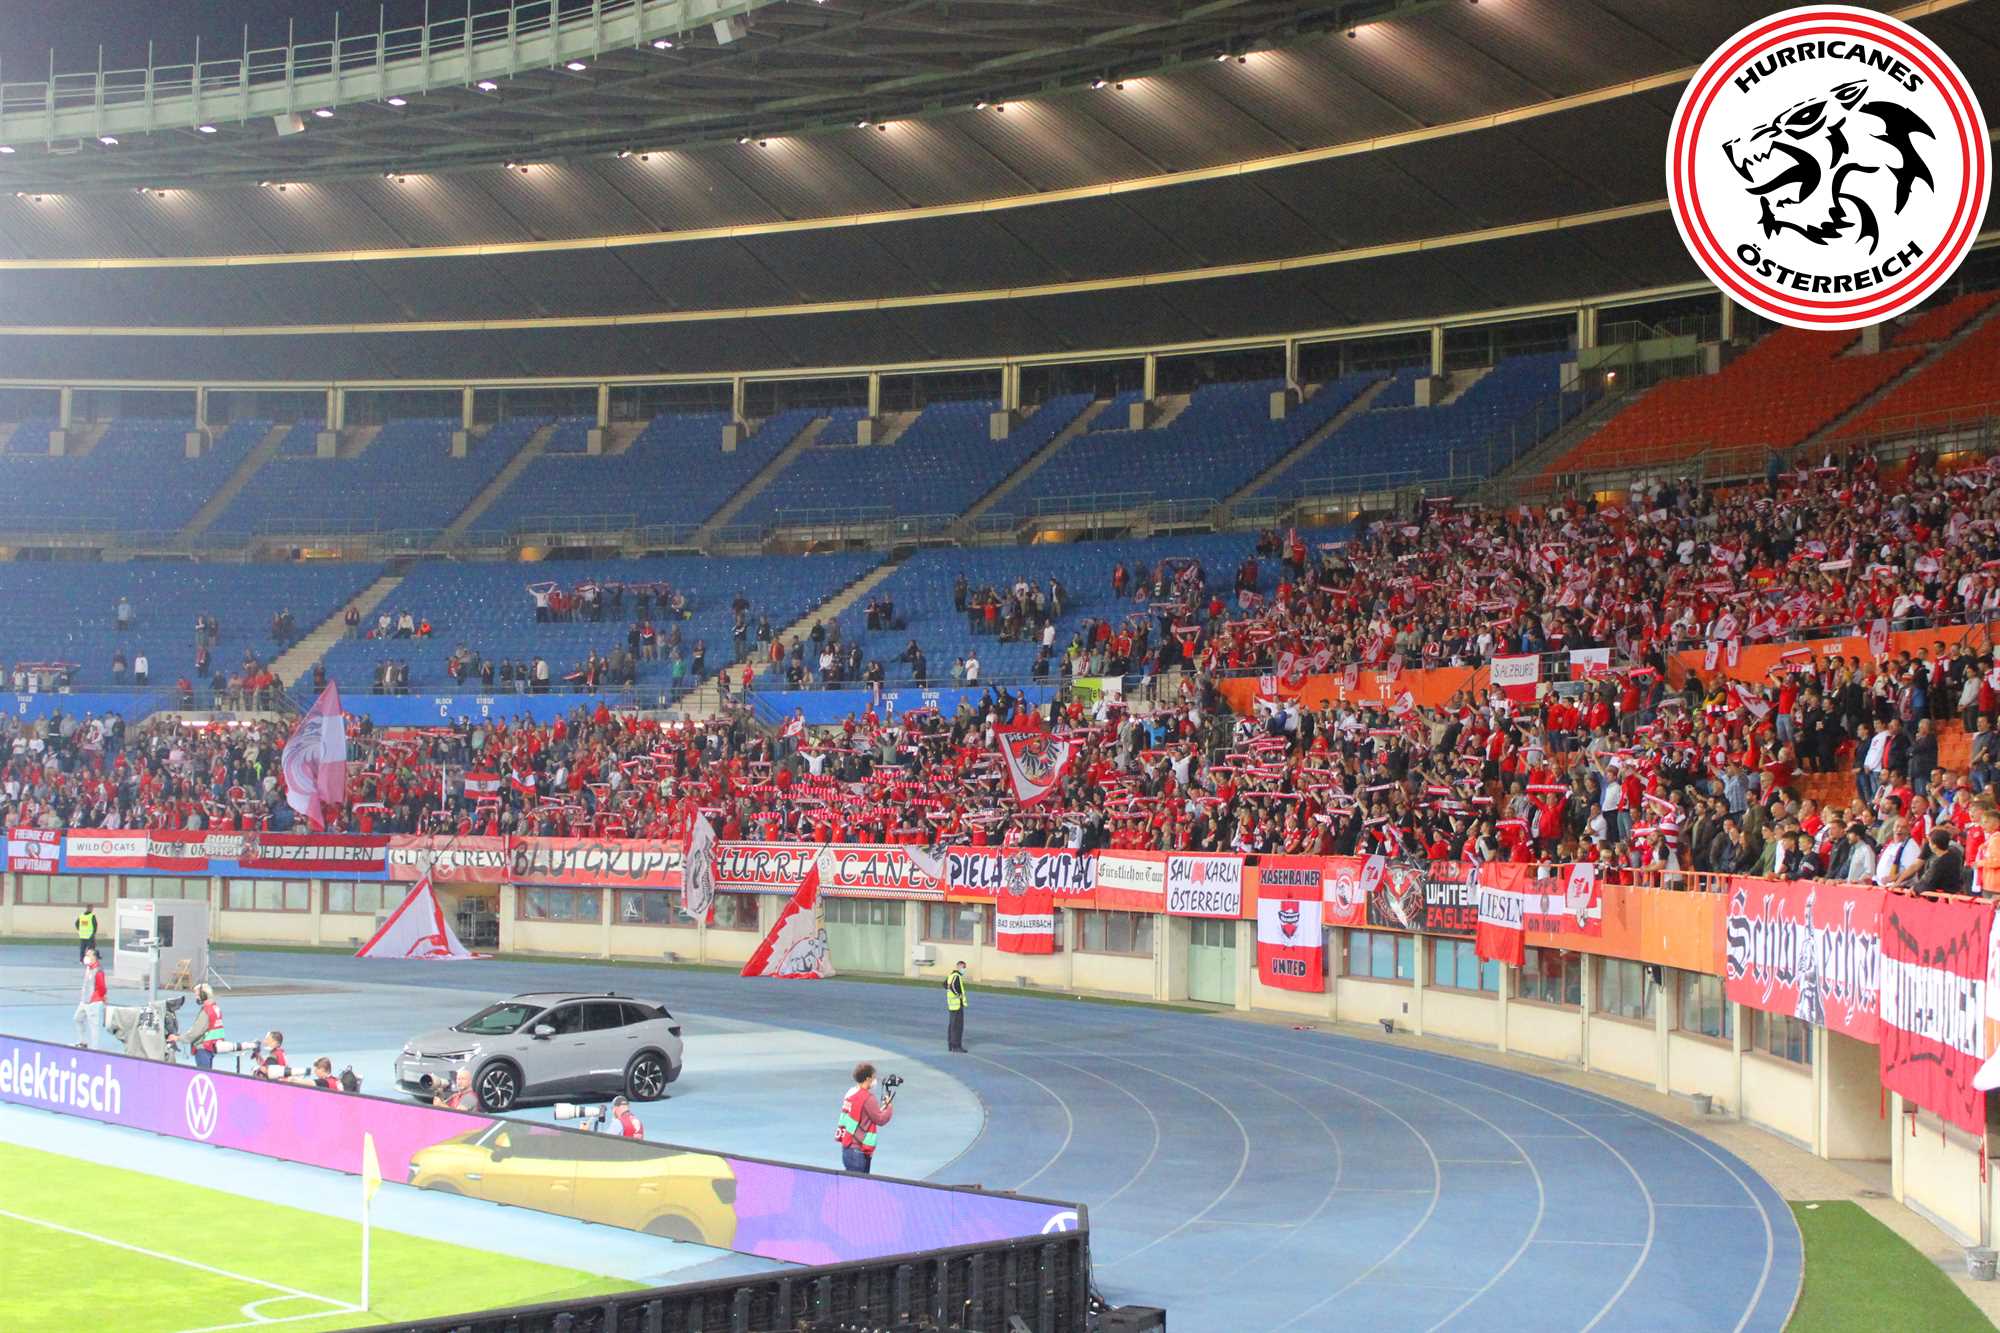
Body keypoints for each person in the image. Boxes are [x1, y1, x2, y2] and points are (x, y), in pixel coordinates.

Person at [835, 1062, 895, 1174]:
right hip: (858, 1151)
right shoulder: (868, 1098)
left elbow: (862, 1114)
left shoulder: (850, 1093)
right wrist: (889, 1107)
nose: (875, 1080)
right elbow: (880, 1119)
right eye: (873, 1077)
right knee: (858, 1183)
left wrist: (881, 1109)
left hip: (847, 1149)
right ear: (868, 1079)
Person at [170, 983, 226, 1069]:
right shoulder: (215, 1007)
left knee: (203, 1073)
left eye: (197, 995)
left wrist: (178, 1038)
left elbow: (195, 1032)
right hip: (212, 1046)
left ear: (204, 995)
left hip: (203, 1048)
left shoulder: (207, 1011)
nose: (196, 998)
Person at [73, 947, 107, 1049]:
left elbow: (102, 987)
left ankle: (94, 1048)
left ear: (94, 957)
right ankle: (82, 1041)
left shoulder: (98, 970)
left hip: (93, 1002)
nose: (86, 957)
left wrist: (101, 998)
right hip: (84, 1000)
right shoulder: (88, 968)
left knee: (93, 1025)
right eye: (86, 954)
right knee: (77, 1019)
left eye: (88, 955)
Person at [945, 960, 969, 1053]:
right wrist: (958, 995)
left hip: (952, 1005)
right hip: (957, 1005)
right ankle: (956, 1046)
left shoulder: (951, 975)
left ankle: (951, 1045)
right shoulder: (956, 976)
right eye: (963, 967)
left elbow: (945, 984)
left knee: (952, 1025)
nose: (964, 969)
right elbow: (952, 986)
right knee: (957, 1026)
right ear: (959, 967)